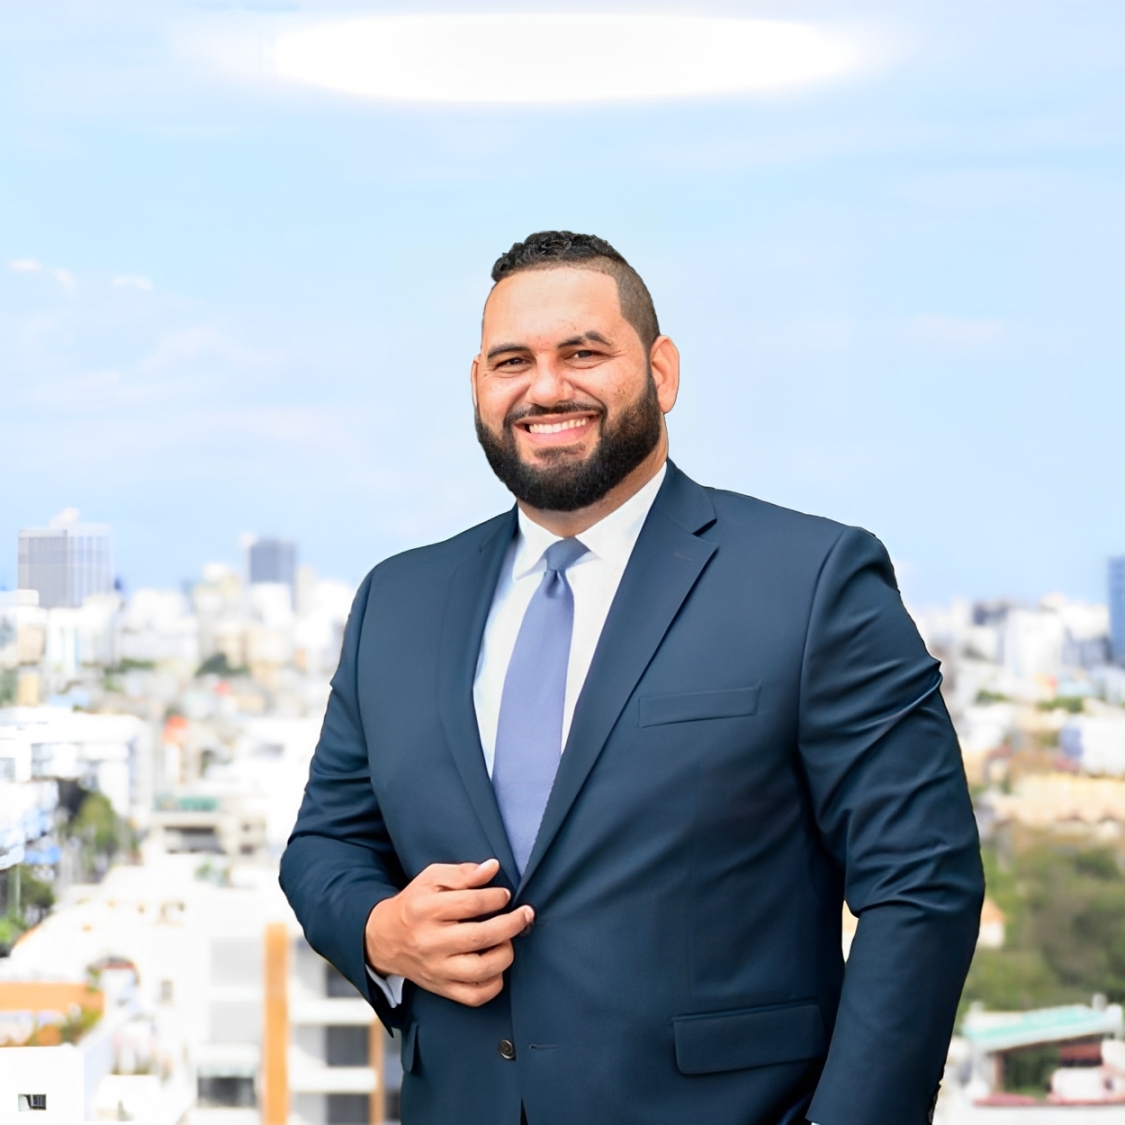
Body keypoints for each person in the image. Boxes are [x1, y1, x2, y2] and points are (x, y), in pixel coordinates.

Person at [280, 231, 984, 1125]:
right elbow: (325, 845)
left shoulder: (811, 581)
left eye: (583, 353)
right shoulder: (399, 599)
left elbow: (919, 884)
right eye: (512, 361)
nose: (545, 388)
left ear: (661, 371)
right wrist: (380, 931)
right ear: (478, 384)